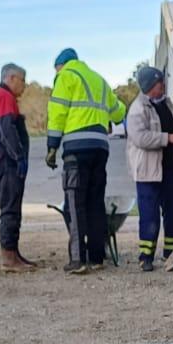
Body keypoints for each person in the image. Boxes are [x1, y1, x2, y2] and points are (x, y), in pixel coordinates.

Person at [46, 48, 127, 274]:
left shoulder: (66, 76)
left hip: (76, 148)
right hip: (100, 147)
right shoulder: (98, 80)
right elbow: (118, 113)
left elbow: (57, 113)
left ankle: (78, 259)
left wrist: (52, 146)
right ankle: (97, 256)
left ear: (61, 65)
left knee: (75, 202)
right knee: (95, 201)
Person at [126, 67, 173, 270]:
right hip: (148, 171)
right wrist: (167, 138)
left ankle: (171, 254)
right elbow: (140, 137)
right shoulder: (138, 108)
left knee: (172, 210)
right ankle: (146, 256)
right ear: (150, 85)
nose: (163, 86)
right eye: (160, 83)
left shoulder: (166, 103)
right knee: (149, 213)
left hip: (168, 168)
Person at [0, 62, 33, 272]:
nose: (24, 85)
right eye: (23, 80)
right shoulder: (4, 97)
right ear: (11, 78)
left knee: (11, 207)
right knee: (10, 208)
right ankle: (8, 259)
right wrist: (18, 156)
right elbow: (7, 130)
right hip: (5, 159)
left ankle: (14, 253)